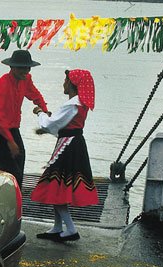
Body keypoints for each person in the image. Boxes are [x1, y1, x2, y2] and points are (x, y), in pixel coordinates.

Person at [31, 70, 98, 242]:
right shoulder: (80, 103)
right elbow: (63, 125)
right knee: (60, 185)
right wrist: (48, 126)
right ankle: (58, 227)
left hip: (67, 147)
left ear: (71, 84)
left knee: (55, 186)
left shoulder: (72, 104)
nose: (63, 84)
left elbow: (52, 123)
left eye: (65, 80)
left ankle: (70, 229)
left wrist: (40, 112)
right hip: (74, 144)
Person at [0, 50, 48, 186]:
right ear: (12, 67)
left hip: (13, 130)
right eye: (21, 67)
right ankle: (11, 202)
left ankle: (14, 200)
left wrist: (45, 110)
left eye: (27, 67)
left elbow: (35, 95)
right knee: (13, 175)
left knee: (19, 171)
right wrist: (10, 141)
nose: (25, 71)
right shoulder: (1, 84)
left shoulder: (26, 79)